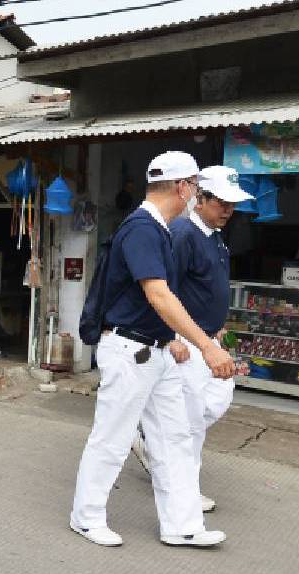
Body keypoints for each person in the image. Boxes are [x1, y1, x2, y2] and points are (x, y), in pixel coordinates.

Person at [70, 151, 236, 549]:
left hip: (155, 351)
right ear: (182, 187)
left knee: (175, 439)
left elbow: (157, 303)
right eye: (195, 186)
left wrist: (171, 340)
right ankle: (87, 517)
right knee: (112, 438)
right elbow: (158, 295)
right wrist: (205, 346)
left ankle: (181, 524)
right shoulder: (143, 228)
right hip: (130, 351)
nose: (197, 195)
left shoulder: (161, 229)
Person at [133, 166, 253, 514]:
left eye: (232, 204)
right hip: (186, 343)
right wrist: (172, 337)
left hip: (208, 340)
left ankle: (154, 447)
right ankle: (183, 488)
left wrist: (217, 331)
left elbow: (204, 289)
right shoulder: (183, 234)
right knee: (189, 424)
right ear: (199, 198)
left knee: (212, 403)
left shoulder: (214, 236)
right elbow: (162, 291)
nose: (228, 210)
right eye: (221, 203)